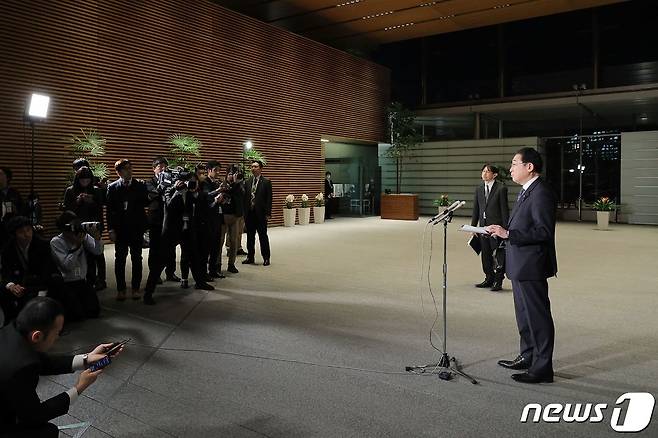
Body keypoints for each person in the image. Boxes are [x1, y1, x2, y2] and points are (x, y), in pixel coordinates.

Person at [485, 147, 558, 384]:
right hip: (519, 263)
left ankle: (542, 368)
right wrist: (502, 232)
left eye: (515, 163)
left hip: (532, 265)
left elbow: (543, 231)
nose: (511, 168)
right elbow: (520, 226)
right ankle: (527, 356)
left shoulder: (541, 192)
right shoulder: (527, 191)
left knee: (537, 316)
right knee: (524, 315)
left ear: (530, 167)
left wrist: (509, 233)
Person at [0, 297, 119, 437]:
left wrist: (87, 359)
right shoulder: (19, 368)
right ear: (37, 336)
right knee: (47, 432)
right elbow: (34, 416)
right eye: (57, 333)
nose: (58, 337)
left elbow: (40, 361)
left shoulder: (11, 330)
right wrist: (78, 388)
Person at [106, 159, 149, 301]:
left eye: (130, 168)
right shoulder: (112, 187)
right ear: (118, 172)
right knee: (120, 260)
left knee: (137, 258)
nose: (129, 171)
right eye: (125, 169)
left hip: (136, 228)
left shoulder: (140, 185)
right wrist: (111, 229)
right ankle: (121, 289)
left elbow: (145, 203)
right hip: (120, 229)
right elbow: (110, 211)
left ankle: (136, 288)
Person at [1, 216, 56, 325]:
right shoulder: (8, 248)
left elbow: (47, 270)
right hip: (19, 283)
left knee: (55, 281)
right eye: (21, 232)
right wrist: (12, 285)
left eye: (29, 230)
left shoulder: (42, 245)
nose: (27, 234)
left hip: (38, 282)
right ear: (14, 234)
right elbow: (6, 272)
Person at [50, 211, 103, 321]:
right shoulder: (56, 242)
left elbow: (98, 251)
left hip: (82, 282)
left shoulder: (82, 235)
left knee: (94, 311)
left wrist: (97, 238)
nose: (73, 232)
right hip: (67, 284)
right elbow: (67, 266)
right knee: (76, 316)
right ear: (63, 229)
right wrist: (77, 245)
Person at [62, 166, 107, 291]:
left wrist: (91, 201)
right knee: (84, 254)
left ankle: (101, 279)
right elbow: (67, 210)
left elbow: (100, 208)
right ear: (78, 179)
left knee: (98, 253)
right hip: (78, 224)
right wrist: (78, 200)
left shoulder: (96, 190)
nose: (85, 182)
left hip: (94, 225)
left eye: (87, 179)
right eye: (82, 179)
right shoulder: (70, 191)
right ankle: (89, 279)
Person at [471, 164, 509, 292]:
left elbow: (504, 210)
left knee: (498, 255)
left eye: (488, 172)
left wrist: (505, 229)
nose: (484, 174)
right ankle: (488, 278)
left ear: (495, 175)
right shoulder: (479, 189)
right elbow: (476, 210)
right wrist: (473, 228)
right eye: (483, 171)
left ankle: (498, 280)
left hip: (496, 227)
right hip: (483, 227)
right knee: (485, 254)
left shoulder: (501, 188)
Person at [146, 157, 179, 283]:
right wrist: (161, 186)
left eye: (165, 167)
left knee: (171, 248)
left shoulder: (171, 181)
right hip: (156, 220)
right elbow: (151, 196)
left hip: (170, 219)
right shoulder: (149, 182)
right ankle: (155, 275)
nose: (163, 169)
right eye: (160, 167)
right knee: (155, 248)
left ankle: (170, 273)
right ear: (154, 169)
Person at [242, 160, 272, 266]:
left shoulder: (266, 182)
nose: (253, 168)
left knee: (262, 236)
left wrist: (268, 213)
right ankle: (250, 257)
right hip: (249, 214)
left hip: (261, 214)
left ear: (260, 168)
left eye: (255, 166)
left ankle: (266, 258)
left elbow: (269, 199)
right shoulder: (248, 181)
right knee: (250, 237)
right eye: (252, 166)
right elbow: (245, 198)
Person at [218, 164, 243, 274]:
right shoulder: (222, 184)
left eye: (235, 174)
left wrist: (236, 183)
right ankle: (217, 264)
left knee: (234, 242)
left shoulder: (239, 185)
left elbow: (241, 196)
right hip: (223, 216)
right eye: (231, 174)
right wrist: (233, 184)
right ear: (227, 174)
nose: (233, 176)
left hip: (235, 217)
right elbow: (228, 194)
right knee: (220, 241)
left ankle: (231, 264)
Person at [203, 160, 224, 279]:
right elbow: (206, 196)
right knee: (207, 247)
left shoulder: (217, 183)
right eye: (215, 170)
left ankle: (213, 270)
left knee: (216, 246)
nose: (218, 173)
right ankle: (204, 272)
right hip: (208, 219)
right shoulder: (204, 182)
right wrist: (217, 192)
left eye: (219, 170)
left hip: (217, 217)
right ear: (209, 170)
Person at [0, 167, 24, 250]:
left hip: (13, 229)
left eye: (1, 174)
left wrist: (16, 210)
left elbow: (23, 210)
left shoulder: (15, 193)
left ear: (8, 178)